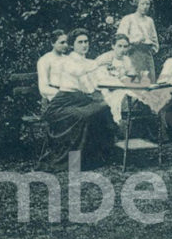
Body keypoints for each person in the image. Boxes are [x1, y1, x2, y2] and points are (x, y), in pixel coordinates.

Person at [41, 28, 117, 168]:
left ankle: (100, 155)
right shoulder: (69, 60)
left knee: (104, 107)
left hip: (79, 100)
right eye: (80, 42)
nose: (84, 45)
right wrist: (98, 63)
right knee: (84, 116)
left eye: (86, 41)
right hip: (62, 103)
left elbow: (91, 84)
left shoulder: (85, 60)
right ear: (72, 45)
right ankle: (75, 160)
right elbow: (79, 71)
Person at [95, 33, 140, 124]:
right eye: (119, 46)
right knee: (118, 97)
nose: (122, 50)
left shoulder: (127, 59)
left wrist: (126, 78)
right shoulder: (105, 58)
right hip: (106, 89)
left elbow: (132, 76)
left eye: (125, 46)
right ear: (113, 46)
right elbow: (100, 78)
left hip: (122, 87)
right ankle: (117, 123)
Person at [117, 0, 159, 82]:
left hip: (147, 55)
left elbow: (154, 39)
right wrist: (134, 41)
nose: (145, 6)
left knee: (149, 81)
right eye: (142, 3)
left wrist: (151, 49)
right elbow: (120, 37)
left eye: (147, 4)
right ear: (137, 4)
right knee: (135, 81)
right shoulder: (128, 19)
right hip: (133, 54)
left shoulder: (149, 21)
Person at [36, 30, 69, 101]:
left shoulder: (68, 59)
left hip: (69, 97)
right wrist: (62, 95)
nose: (66, 45)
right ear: (52, 43)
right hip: (53, 99)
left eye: (67, 42)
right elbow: (43, 88)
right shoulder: (45, 60)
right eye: (62, 42)